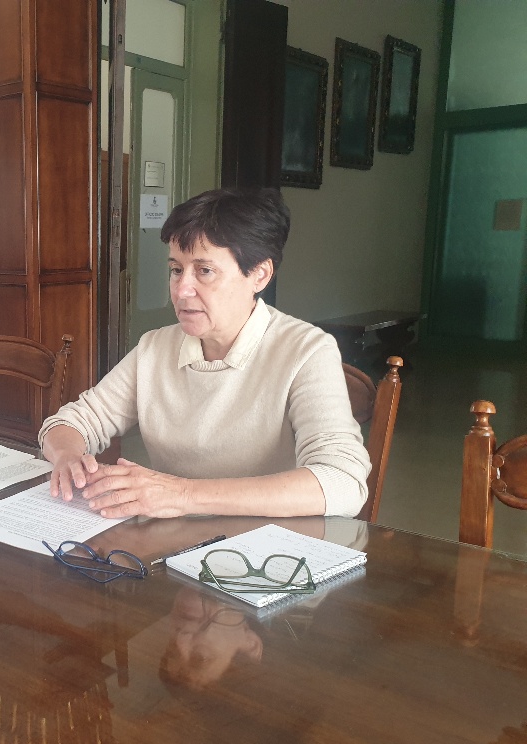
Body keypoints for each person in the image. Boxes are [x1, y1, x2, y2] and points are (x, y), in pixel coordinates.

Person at [39, 187, 370, 519]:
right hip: (173, 538)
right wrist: (68, 457)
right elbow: (71, 422)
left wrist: (182, 494)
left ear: (259, 275)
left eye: (204, 271)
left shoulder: (306, 351)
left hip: (263, 542)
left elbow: (342, 481)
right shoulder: (155, 348)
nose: (182, 290)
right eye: (176, 269)